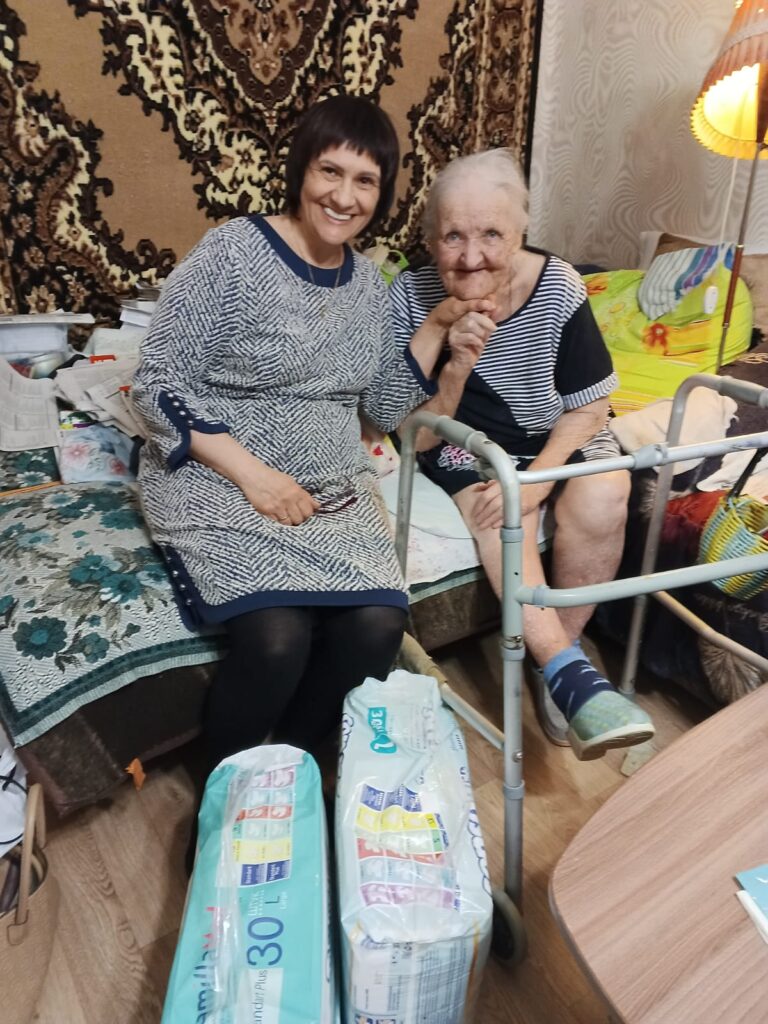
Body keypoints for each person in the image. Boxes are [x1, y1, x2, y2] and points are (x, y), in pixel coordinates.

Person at [132, 96, 490, 796]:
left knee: (378, 627)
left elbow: (379, 409)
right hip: (221, 475)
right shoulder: (233, 252)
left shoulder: (368, 285)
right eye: (331, 171)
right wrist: (256, 478)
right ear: (301, 169)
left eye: (366, 181)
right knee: (277, 639)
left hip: (329, 488)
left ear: (382, 195)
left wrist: (438, 329)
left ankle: (286, 771)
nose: (344, 197)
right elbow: (157, 383)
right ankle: (225, 796)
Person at [390, 148, 654, 761]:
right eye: (453, 236)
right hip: (465, 442)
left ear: (520, 232)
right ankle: (572, 676)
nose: (471, 256)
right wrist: (457, 362)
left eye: (491, 234)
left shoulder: (557, 285)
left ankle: (556, 663)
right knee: (498, 509)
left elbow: (589, 408)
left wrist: (539, 478)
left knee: (607, 490)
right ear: (429, 240)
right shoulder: (410, 295)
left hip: (558, 433)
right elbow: (414, 435)